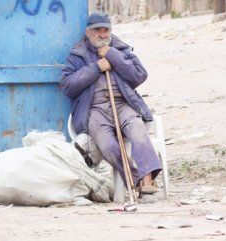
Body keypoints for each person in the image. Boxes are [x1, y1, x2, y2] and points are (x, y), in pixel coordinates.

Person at [60, 12, 161, 195]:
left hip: (123, 104)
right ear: (88, 32)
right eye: (97, 30)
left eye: (106, 30)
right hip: (95, 109)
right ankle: (136, 179)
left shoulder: (120, 49)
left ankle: (148, 183)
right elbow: (67, 85)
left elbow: (139, 75)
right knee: (108, 146)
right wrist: (96, 67)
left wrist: (113, 56)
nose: (102, 34)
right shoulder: (78, 54)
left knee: (138, 130)